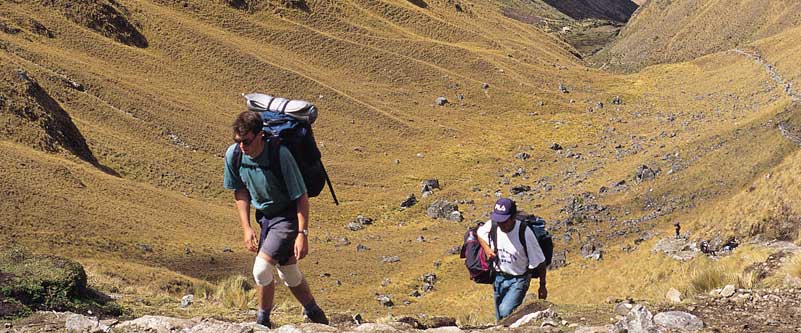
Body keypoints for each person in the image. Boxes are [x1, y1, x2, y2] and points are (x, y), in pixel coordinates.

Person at [223, 111, 327, 328]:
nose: (242, 146)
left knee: (260, 269)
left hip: (287, 218)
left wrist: (302, 234)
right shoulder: (234, 155)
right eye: (238, 141)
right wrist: (246, 227)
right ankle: (318, 317)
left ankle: (262, 322)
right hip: (265, 218)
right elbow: (240, 191)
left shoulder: (281, 155)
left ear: (260, 135)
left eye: (247, 141)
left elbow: (301, 196)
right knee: (288, 272)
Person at [477, 198, 547, 322]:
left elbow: (541, 261)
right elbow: (479, 233)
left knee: (505, 310)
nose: (500, 224)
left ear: (513, 217)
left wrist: (542, 286)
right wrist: (487, 249)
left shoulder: (525, 232)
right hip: (499, 277)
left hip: (519, 279)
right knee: (500, 315)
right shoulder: (493, 224)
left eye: (504, 221)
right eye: (498, 220)